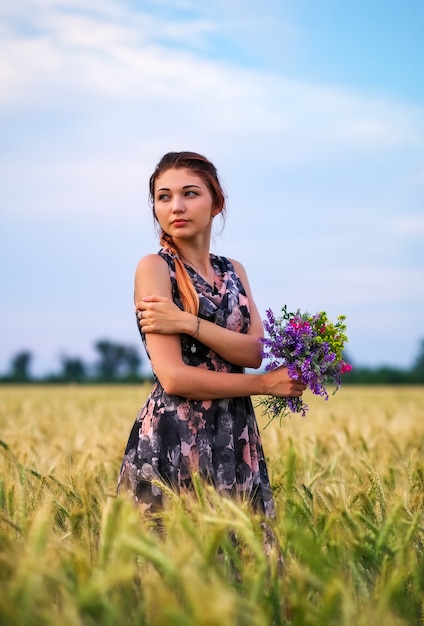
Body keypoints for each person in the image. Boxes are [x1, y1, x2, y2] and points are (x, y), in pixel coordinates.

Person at [117, 151, 306, 518]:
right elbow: (174, 377)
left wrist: (188, 323)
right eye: (164, 197)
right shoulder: (155, 268)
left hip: (235, 435)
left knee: (243, 563)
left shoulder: (234, 270)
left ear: (216, 202)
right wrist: (265, 385)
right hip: (174, 439)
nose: (176, 207)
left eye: (190, 193)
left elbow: (254, 353)